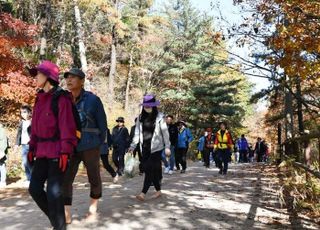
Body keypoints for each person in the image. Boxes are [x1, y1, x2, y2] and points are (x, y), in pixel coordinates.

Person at [27, 60, 78, 230]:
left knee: (53, 194)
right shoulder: (39, 98)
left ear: (48, 77)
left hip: (58, 153)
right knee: (34, 189)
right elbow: (35, 127)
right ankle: (58, 223)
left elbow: (67, 128)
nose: (35, 78)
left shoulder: (61, 99)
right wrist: (32, 147)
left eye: (38, 74)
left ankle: (59, 226)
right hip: (41, 152)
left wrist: (65, 152)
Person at [62, 68, 107, 223]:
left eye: (73, 78)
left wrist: (99, 143)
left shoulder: (93, 100)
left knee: (93, 177)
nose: (69, 80)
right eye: (67, 77)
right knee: (66, 179)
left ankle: (93, 208)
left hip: (90, 145)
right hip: (70, 146)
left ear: (82, 81)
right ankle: (66, 213)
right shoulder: (64, 100)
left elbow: (102, 124)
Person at [129, 94, 171, 201]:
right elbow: (137, 133)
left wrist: (167, 147)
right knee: (153, 170)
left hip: (157, 148)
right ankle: (158, 191)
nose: (147, 108)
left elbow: (165, 133)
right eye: (145, 106)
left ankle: (143, 193)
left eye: (149, 106)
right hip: (145, 148)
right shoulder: (140, 118)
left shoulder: (160, 118)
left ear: (153, 106)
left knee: (148, 169)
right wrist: (132, 146)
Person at [15, 105, 32, 185]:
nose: (23, 114)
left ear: (29, 112)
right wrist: (16, 144)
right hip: (24, 145)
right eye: (21, 112)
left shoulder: (33, 121)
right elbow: (19, 134)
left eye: (24, 112)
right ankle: (29, 178)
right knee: (25, 162)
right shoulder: (21, 122)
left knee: (30, 162)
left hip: (31, 145)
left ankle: (32, 179)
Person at [0, 123, 8, 188]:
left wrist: (2, 151)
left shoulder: (1, 130)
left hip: (1, 151)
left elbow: (4, 142)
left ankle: (3, 181)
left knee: (2, 165)